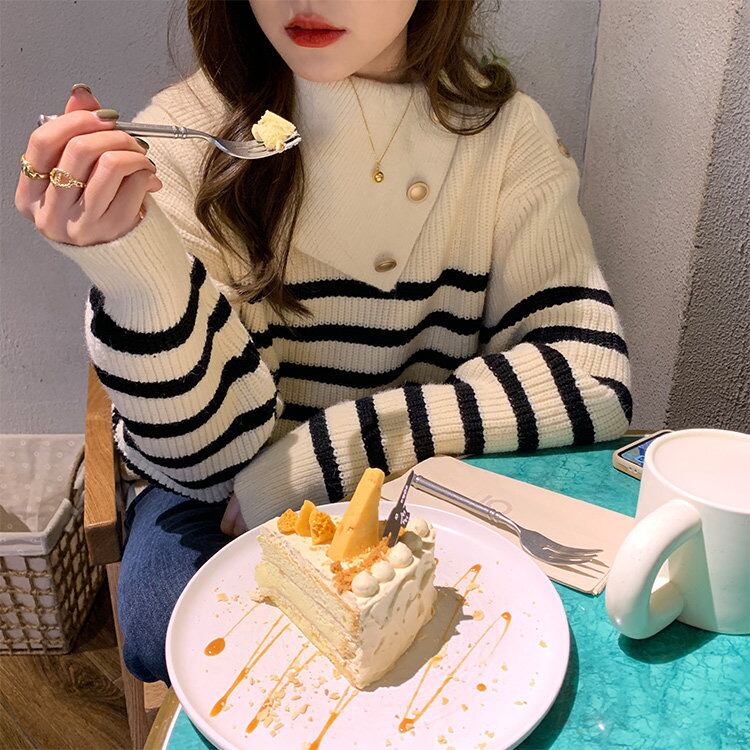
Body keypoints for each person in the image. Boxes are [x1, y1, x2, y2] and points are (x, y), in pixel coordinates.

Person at [15, 0, 632, 685]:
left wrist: (326, 457)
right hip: (214, 483)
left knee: (498, 645)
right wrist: (137, 270)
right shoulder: (187, 137)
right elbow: (210, 468)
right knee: (184, 630)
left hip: (424, 465)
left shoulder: (503, 136)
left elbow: (589, 377)